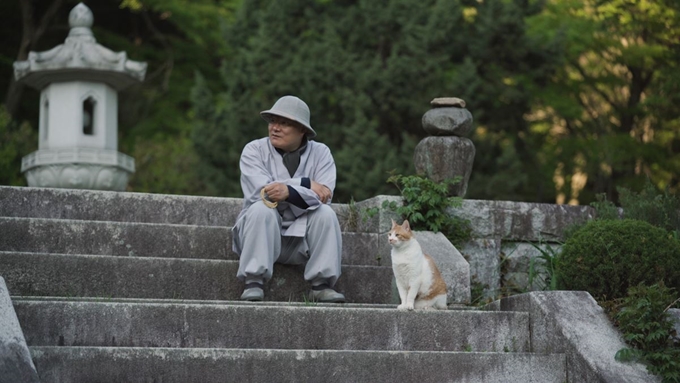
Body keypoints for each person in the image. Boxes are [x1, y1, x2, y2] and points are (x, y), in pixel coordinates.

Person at [232, 95, 345, 303]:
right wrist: (305, 183)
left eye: (284, 123)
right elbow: (266, 192)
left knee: (325, 213)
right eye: (273, 121)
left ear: (302, 130)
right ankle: (253, 280)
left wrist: (289, 191)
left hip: (300, 243)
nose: (275, 127)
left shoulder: (322, 153)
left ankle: (321, 284)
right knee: (261, 208)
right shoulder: (253, 150)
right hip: (258, 237)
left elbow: (324, 197)